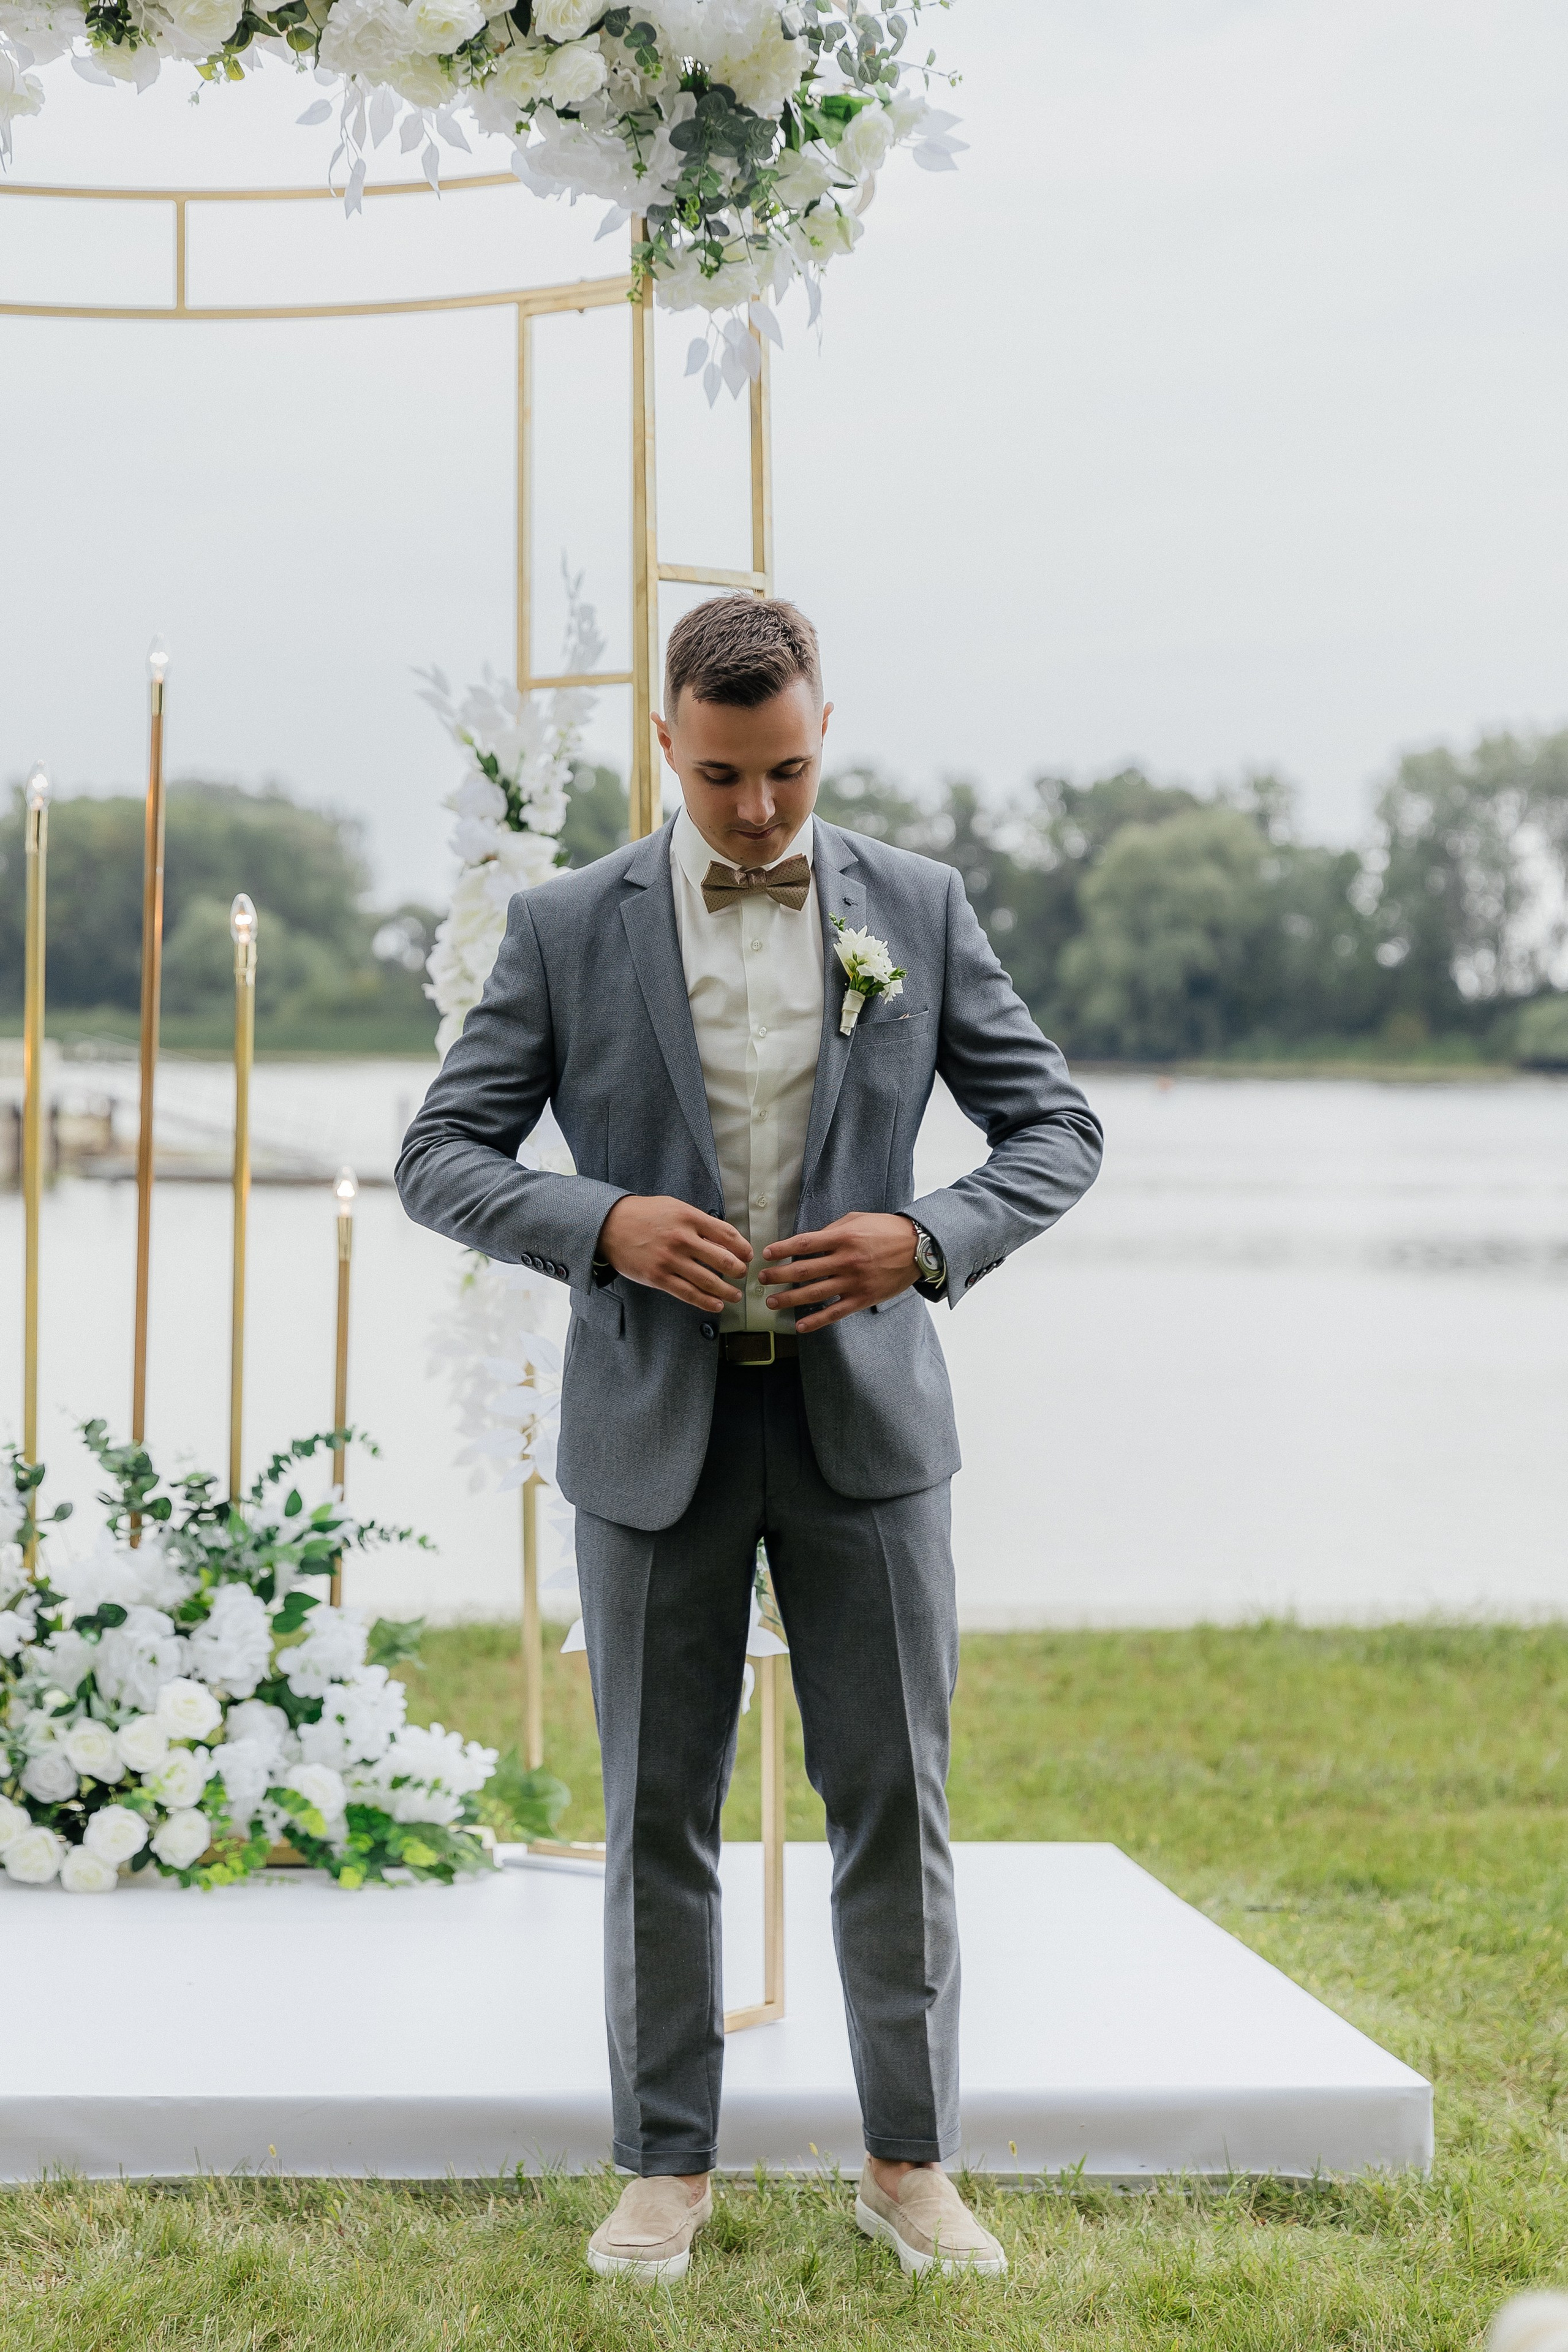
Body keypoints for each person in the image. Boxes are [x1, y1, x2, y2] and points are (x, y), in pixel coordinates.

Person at [396, 596, 1103, 2283]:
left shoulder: (919, 908)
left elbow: (1057, 1126)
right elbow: (442, 1152)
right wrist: (604, 1222)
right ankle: (665, 2171)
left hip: (867, 1431)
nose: (761, 813)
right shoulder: (567, 926)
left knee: (895, 1802)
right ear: (665, 746)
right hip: (655, 1432)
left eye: (786, 772)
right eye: (723, 780)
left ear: (824, 729)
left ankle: (909, 2165)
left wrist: (924, 1241)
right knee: (656, 1815)